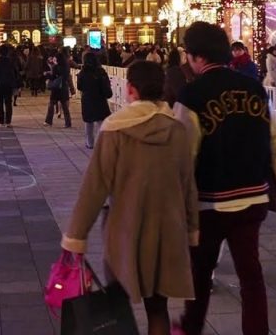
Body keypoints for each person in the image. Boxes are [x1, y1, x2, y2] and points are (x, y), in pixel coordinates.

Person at [62, 61, 197, 335]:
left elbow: (95, 187)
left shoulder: (116, 129)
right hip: (167, 232)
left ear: (130, 89)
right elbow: (188, 186)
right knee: (158, 308)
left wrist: (76, 236)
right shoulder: (177, 129)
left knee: (117, 307)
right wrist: (193, 229)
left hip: (125, 231)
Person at [173, 22, 276, 335]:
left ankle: (191, 327)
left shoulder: (192, 95)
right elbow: (275, 140)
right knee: (251, 276)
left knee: (200, 272)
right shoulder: (254, 88)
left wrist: (179, 201)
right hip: (252, 195)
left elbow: (183, 154)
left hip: (211, 201)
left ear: (195, 57)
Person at [76, 52, 113, 149]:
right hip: (100, 98)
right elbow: (106, 85)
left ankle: (90, 143)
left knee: (88, 122)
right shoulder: (100, 71)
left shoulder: (82, 72)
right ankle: (102, 142)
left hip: (87, 99)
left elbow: (79, 86)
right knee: (101, 121)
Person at [0, 44, 21, 126]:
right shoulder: (10, 61)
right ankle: (8, 121)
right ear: (7, 52)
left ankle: (1, 121)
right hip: (8, 85)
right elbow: (16, 73)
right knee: (8, 103)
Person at [43, 49, 74, 127]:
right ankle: (68, 123)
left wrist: (47, 74)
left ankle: (48, 121)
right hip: (63, 88)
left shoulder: (56, 67)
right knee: (65, 107)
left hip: (56, 89)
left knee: (51, 105)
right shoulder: (66, 67)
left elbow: (53, 77)